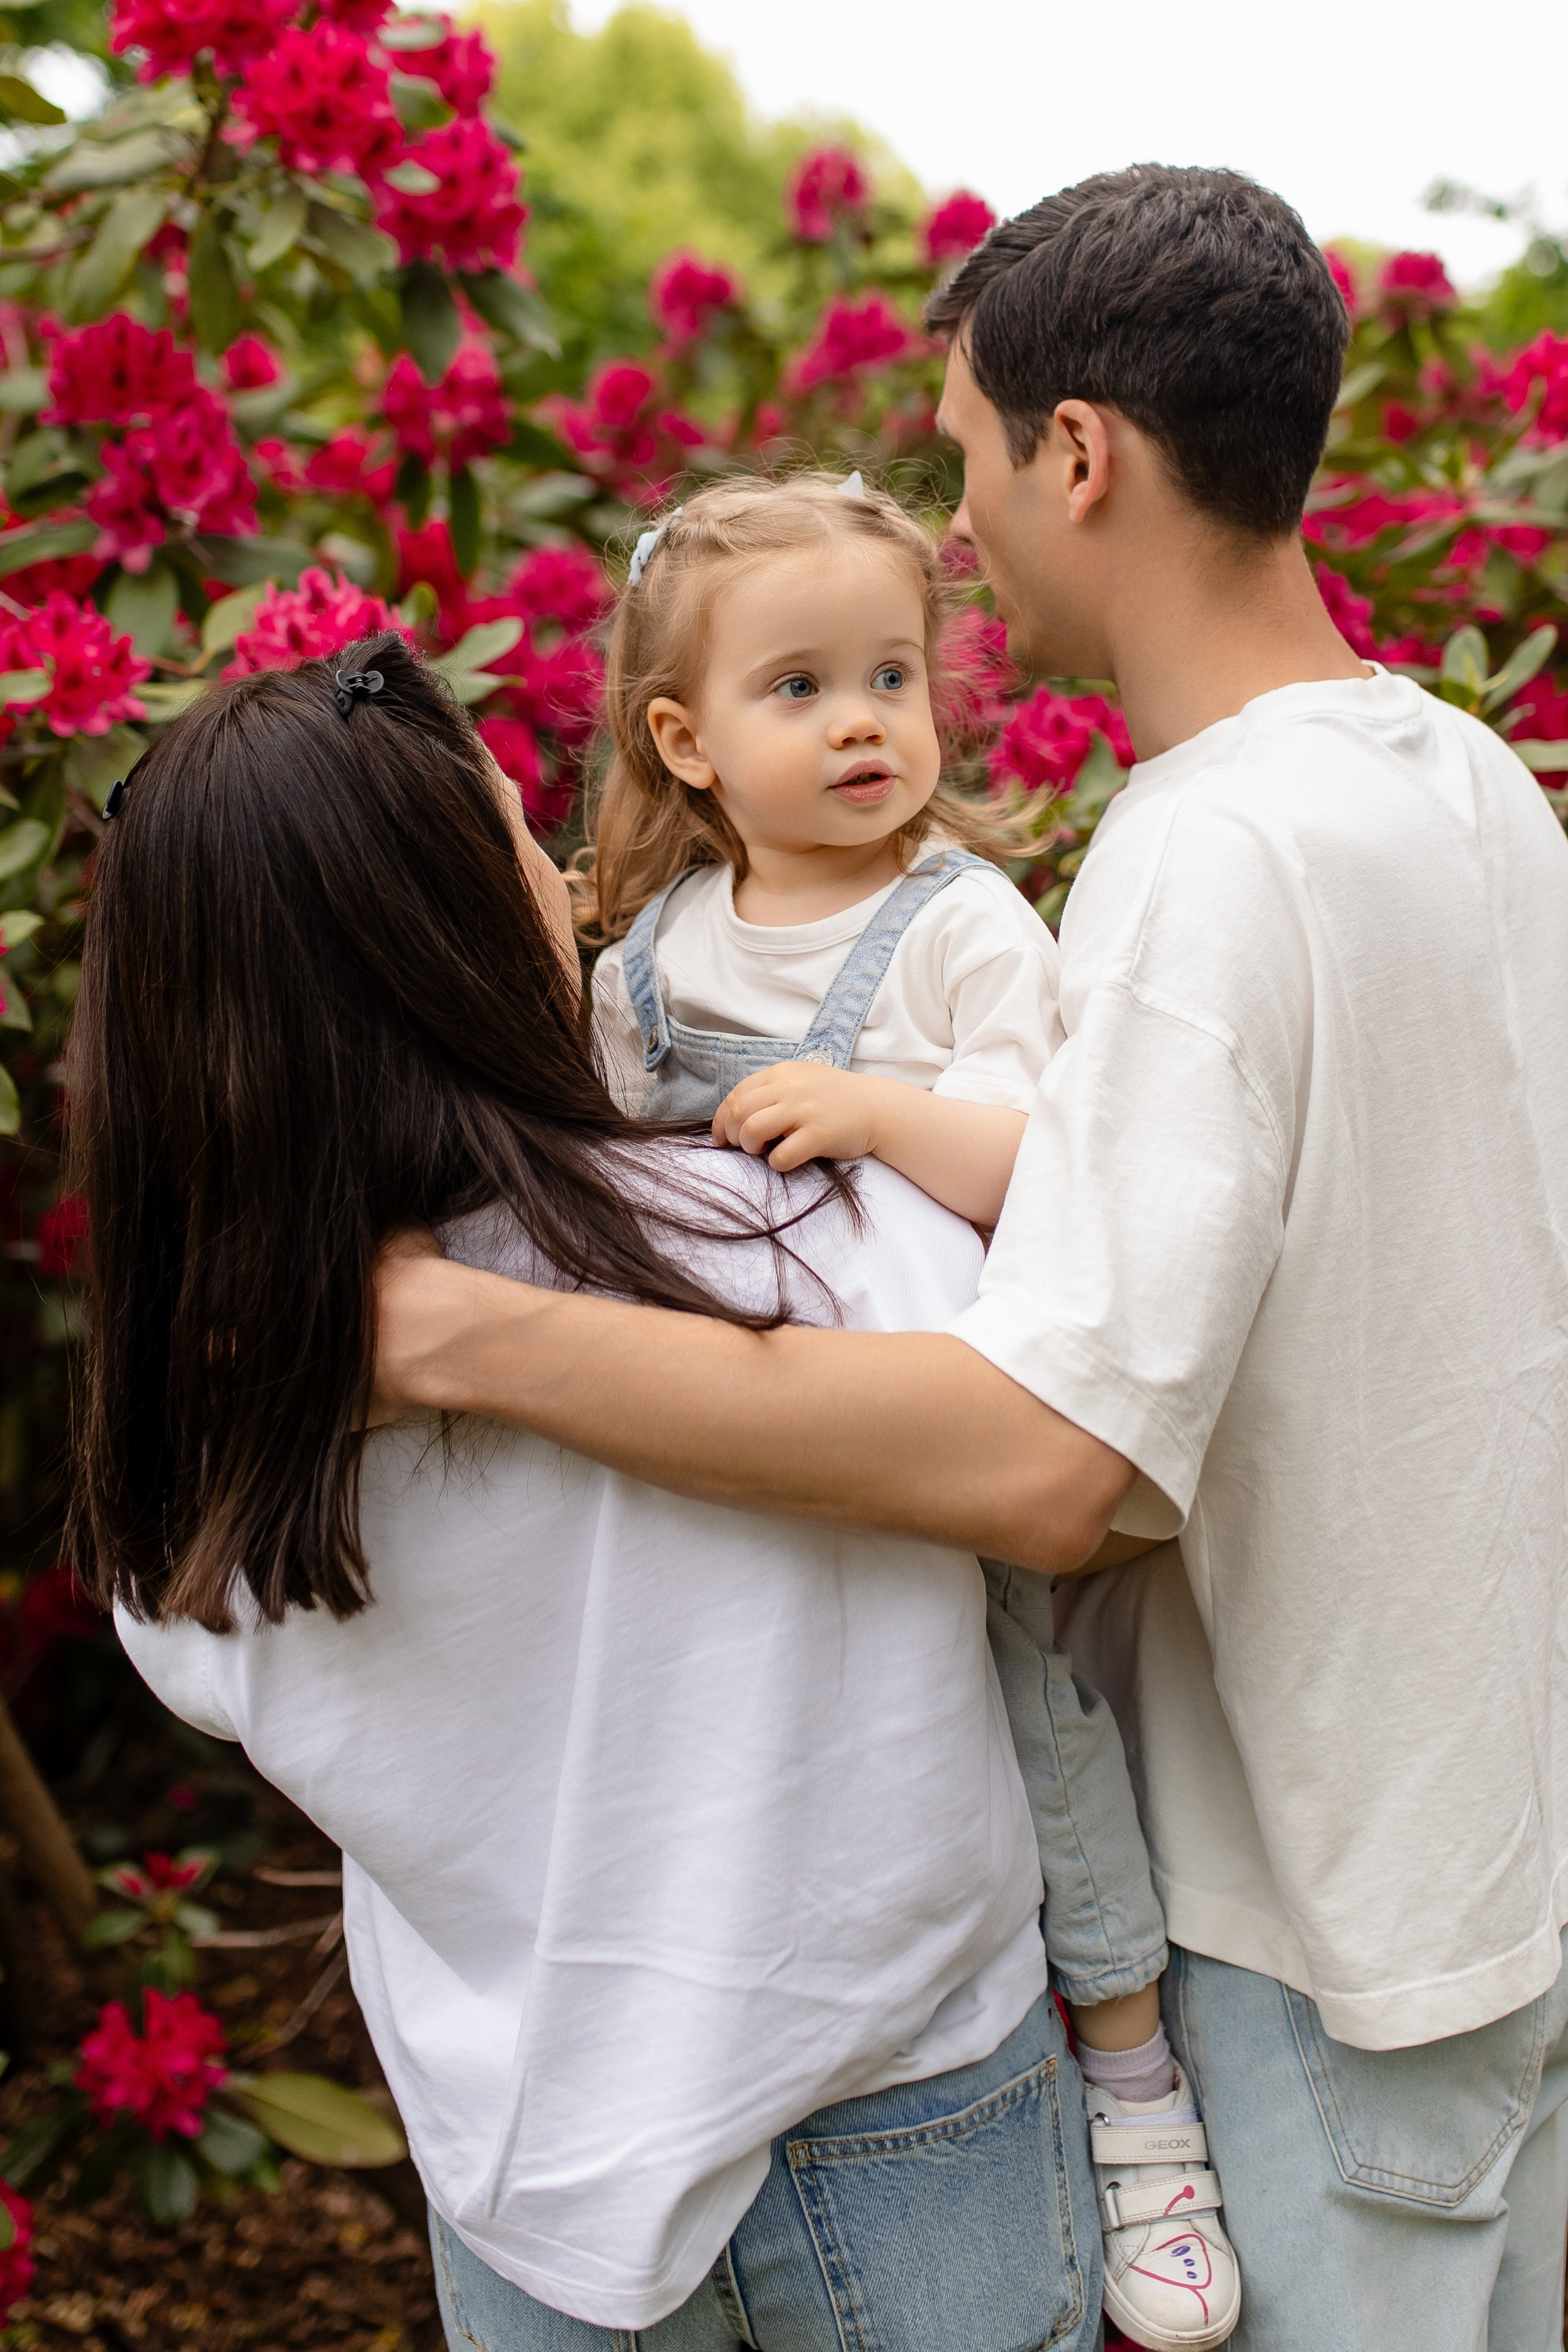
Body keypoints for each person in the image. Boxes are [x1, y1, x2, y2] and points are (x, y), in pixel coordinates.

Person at [371, 165, 1568, 2351]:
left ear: (1080, 453)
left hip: (1297, 1933)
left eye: (968, 456)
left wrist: (454, 1332)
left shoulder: (1205, 858)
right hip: (1496, 1887)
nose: (970, 529)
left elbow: (1047, 1468)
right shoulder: (1477, 788)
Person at [75, 638, 1107, 2352]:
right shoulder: (793, 1233)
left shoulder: (213, 1421)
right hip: (900, 2097)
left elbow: (207, 1673)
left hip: (533, 2161)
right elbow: (1065, 1466)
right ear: (445, 939)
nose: (567, 879)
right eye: (518, 847)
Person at [581, 461, 1236, 2347]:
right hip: (743, 1463)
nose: (864, 721)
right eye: (798, 690)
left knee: (1032, 1719)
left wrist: (878, 1113)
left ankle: (1133, 2096)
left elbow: (1057, 1162)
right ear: (685, 742)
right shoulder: (656, 960)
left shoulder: (961, 928)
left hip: (938, 1445)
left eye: (890, 675)